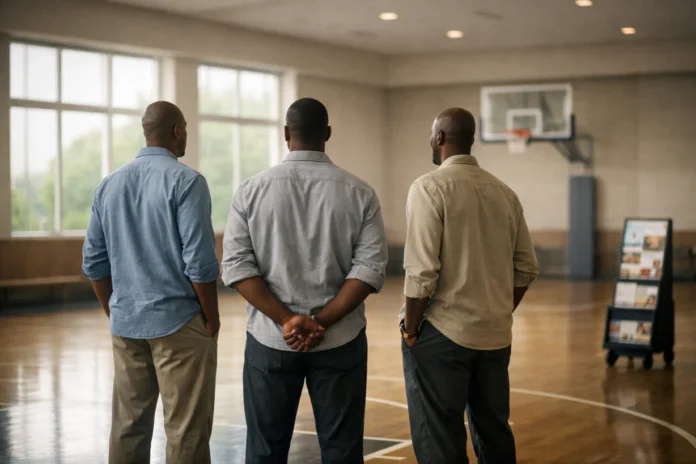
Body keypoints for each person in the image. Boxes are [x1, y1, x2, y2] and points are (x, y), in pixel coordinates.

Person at [222, 97, 388, 464]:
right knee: (343, 451)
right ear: (327, 133)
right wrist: (320, 323)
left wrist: (286, 321)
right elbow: (370, 268)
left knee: (265, 450)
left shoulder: (250, 190)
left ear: (286, 134)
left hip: (270, 342)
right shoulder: (360, 192)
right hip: (340, 341)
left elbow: (235, 266)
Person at [82, 101, 220, 464]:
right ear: (177, 131)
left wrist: (116, 310)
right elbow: (201, 264)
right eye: (186, 127)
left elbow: (93, 263)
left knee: (128, 426)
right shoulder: (187, 181)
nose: (187, 134)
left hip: (127, 322)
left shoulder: (108, 185)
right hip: (179, 321)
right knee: (186, 429)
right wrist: (212, 318)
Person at [399, 108, 539, 464]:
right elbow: (526, 268)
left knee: (439, 437)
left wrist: (411, 329)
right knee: (494, 431)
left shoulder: (428, 187)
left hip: (443, 334)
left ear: (441, 138)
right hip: (494, 335)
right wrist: (498, 310)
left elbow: (421, 274)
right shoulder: (504, 192)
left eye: (432, 134)